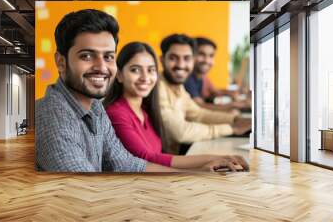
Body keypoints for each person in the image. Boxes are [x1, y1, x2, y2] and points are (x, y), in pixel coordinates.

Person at [35, 9, 241, 172]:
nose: (101, 66)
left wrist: (201, 171)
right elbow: (82, 192)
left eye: (108, 56)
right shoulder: (54, 117)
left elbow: (126, 163)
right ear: (61, 62)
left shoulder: (95, 107)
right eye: (87, 56)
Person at [104, 42, 248, 171]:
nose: (145, 77)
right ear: (119, 75)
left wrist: (233, 123)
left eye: (151, 70)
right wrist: (208, 162)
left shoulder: (144, 110)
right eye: (135, 70)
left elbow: (198, 113)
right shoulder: (117, 113)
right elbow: (146, 158)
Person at [158, 34, 252, 154]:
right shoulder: (158, 87)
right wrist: (231, 128)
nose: (181, 65)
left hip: (175, 154)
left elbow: (198, 114)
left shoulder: (178, 86)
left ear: (192, 60)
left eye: (186, 58)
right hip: (164, 160)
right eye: (173, 58)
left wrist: (234, 119)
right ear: (162, 60)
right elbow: (180, 132)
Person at [185, 37, 250, 110]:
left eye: (211, 56)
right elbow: (199, 107)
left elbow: (214, 91)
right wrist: (238, 105)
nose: (207, 60)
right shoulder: (187, 77)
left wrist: (231, 92)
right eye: (201, 54)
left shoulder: (201, 76)